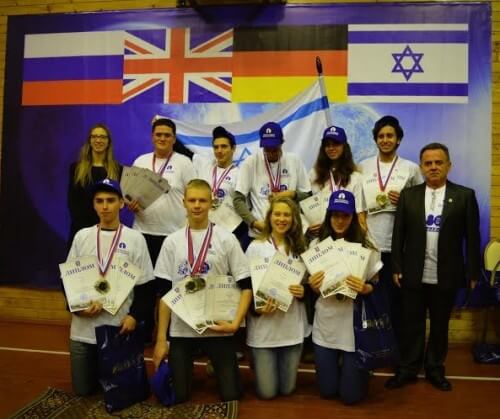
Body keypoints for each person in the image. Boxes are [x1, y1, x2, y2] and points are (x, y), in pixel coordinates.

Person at [387, 143, 480, 391]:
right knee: (412, 325)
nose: (433, 167)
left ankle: (435, 369)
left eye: (439, 162)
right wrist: (396, 266)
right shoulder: (409, 195)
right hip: (413, 273)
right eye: (428, 163)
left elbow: (472, 237)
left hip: (447, 274)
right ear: (421, 167)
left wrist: (473, 272)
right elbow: (398, 235)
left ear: (449, 165)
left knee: (440, 326)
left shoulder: (464, 196)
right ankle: (408, 369)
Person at [152, 179, 253, 403]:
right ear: (184, 203)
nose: (197, 205)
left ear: (211, 202)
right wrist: (161, 340)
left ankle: (216, 365)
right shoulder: (172, 242)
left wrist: (235, 324)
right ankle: (190, 371)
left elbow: (246, 286)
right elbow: (165, 295)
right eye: (192, 200)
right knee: (178, 395)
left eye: (202, 200)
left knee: (232, 395)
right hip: (182, 329)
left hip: (217, 327)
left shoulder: (227, 239)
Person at [65, 178, 154, 396]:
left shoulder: (135, 239)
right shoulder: (82, 237)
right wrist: (76, 308)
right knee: (83, 392)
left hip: (118, 329)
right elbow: (68, 280)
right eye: (99, 201)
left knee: (121, 394)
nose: (105, 206)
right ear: (94, 205)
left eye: (110, 200)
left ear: (121, 203)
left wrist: (134, 317)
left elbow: (146, 287)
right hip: (83, 331)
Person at [308, 190, 380, 404]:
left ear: (353, 217)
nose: (340, 220)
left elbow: (377, 284)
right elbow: (312, 288)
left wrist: (365, 288)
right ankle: (341, 369)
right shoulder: (316, 245)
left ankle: (355, 371)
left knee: (351, 397)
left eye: (345, 215)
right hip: (326, 324)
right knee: (327, 391)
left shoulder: (367, 245)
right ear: (329, 216)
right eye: (335, 215)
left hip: (354, 327)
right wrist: (313, 286)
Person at [129, 118, 196, 341]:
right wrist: (130, 203)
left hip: (173, 235)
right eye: (158, 134)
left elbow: (193, 194)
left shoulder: (184, 163)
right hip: (142, 232)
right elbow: (130, 194)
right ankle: (144, 331)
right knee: (144, 286)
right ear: (152, 137)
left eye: (167, 135)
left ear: (174, 139)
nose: (162, 138)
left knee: (169, 286)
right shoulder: (141, 161)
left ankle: (167, 334)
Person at [359, 115, 422, 338]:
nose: (385, 140)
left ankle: (396, 348)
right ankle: (373, 347)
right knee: (371, 299)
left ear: (398, 139)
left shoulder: (411, 168)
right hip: (370, 245)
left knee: (397, 302)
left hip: (398, 247)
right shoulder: (363, 166)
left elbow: (421, 203)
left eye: (390, 136)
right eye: (381, 136)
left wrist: (405, 200)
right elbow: (358, 205)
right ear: (376, 139)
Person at [245, 196, 309, 399]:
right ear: (269, 217)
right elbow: (245, 287)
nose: (282, 219)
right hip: (263, 329)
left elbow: (309, 285)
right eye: (277, 214)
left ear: (294, 219)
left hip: (291, 329)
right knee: (267, 393)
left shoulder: (301, 248)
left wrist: (303, 292)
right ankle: (258, 362)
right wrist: (256, 308)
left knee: (287, 390)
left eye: (287, 215)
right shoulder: (255, 247)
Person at [234, 121, 311, 240]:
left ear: (282, 142)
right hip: (260, 234)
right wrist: (254, 223)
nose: (270, 152)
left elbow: (308, 195)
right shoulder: (251, 162)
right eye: (267, 148)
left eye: (274, 148)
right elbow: (238, 200)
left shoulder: (294, 160)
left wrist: (292, 194)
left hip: (290, 234)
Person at [67, 123, 122, 243]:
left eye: (102, 137)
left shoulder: (118, 170)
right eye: (94, 136)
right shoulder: (76, 169)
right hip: (81, 229)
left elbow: (118, 203)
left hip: (108, 229)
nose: (98, 140)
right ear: (89, 141)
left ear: (108, 142)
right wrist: (86, 231)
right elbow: (73, 202)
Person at [309, 125, 365, 235]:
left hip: (347, 234)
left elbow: (360, 214)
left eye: (336, 144)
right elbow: (309, 207)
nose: (331, 148)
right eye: (327, 145)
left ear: (344, 147)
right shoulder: (314, 174)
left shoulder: (355, 177)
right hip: (322, 234)